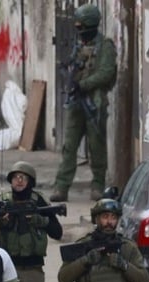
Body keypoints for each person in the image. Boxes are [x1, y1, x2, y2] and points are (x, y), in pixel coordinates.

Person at [49, 3, 116, 203]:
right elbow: (72, 66)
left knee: (96, 147)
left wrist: (84, 84)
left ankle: (97, 185)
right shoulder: (79, 45)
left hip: (94, 102)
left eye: (81, 26)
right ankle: (61, 187)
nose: (79, 31)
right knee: (69, 146)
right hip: (76, 102)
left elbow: (106, 73)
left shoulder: (105, 46)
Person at [58, 198, 148, 282]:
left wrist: (124, 265)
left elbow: (143, 280)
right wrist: (85, 261)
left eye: (113, 217)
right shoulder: (83, 246)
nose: (109, 222)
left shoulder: (127, 247)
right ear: (96, 219)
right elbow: (63, 278)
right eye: (105, 217)